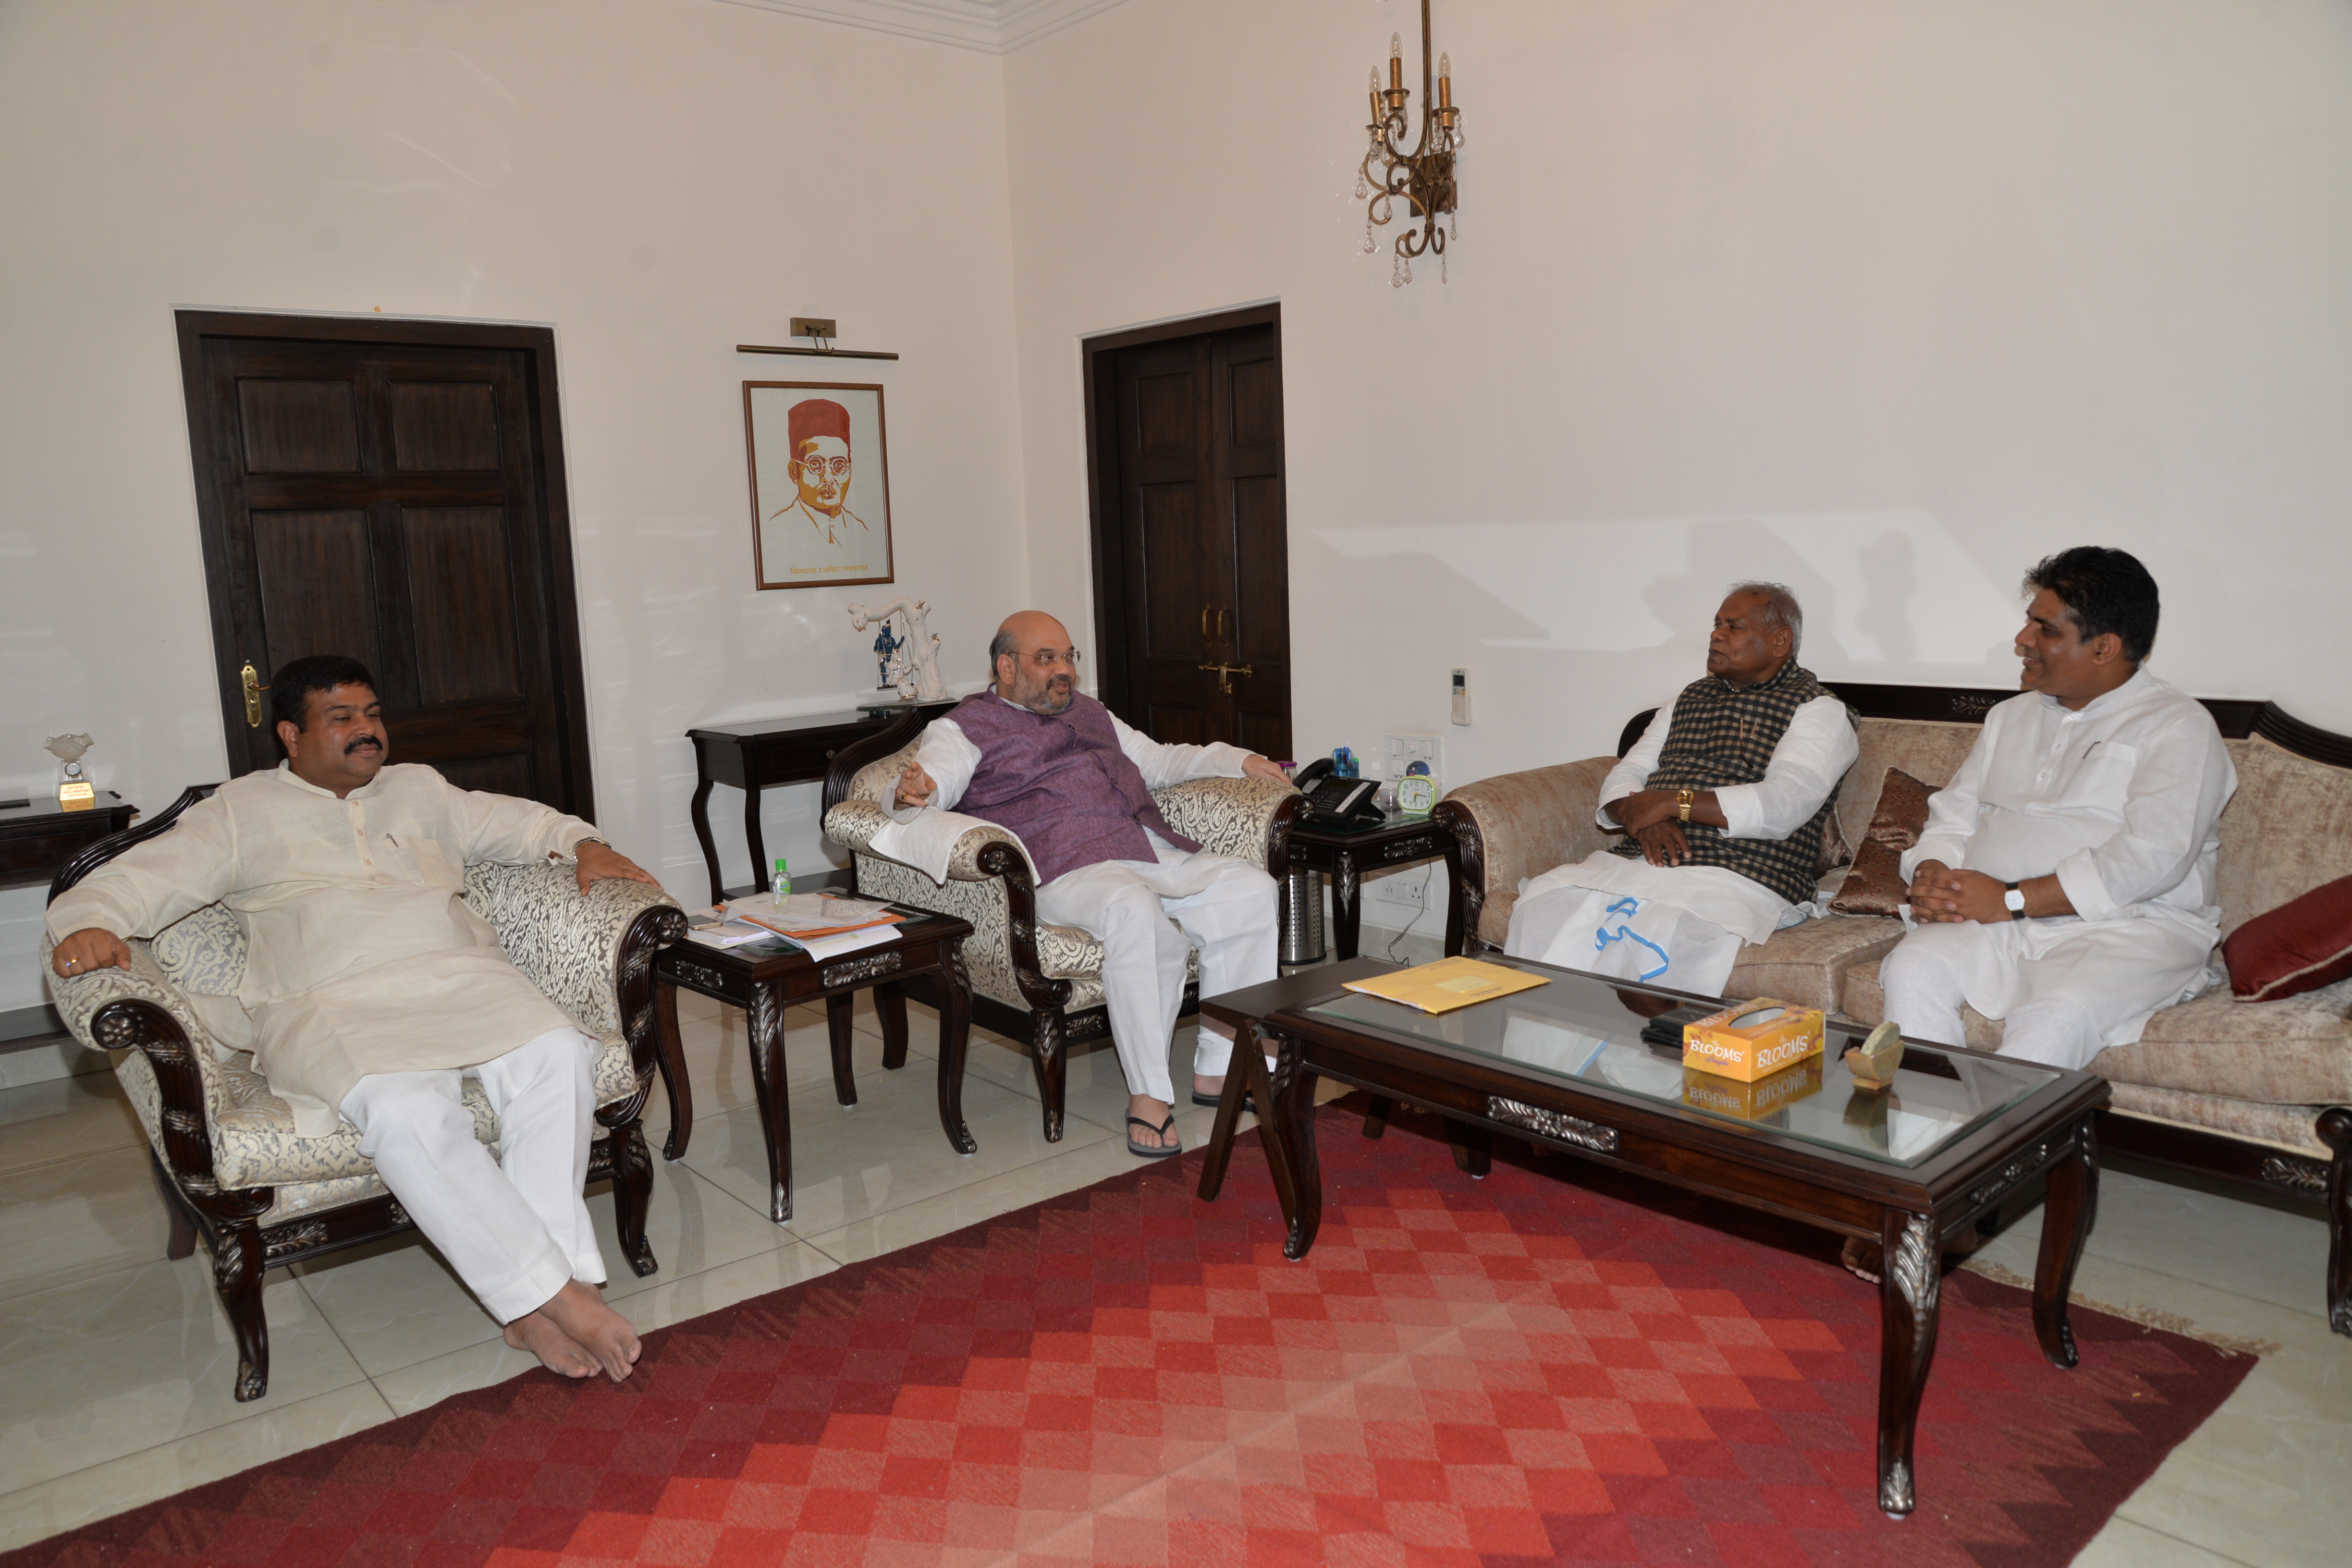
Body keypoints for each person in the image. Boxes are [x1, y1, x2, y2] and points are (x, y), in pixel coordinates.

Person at [47, 656, 665, 1383]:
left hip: (463, 977)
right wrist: (88, 924)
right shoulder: (239, 814)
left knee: (561, 1055)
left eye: (372, 715)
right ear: (290, 735)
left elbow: (521, 825)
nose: (367, 731)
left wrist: (586, 844)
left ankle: (539, 1304)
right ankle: (557, 1294)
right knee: (404, 1109)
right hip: (328, 1000)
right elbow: (126, 885)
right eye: (342, 718)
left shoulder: (421, 787)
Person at [889, 611, 1289, 1157]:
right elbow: (938, 775)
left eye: (1069, 656)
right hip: (1062, 867)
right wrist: (920, 789)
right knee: (1133, 908)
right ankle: (1148, 1093)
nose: (1064, 670)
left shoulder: (1091, 711)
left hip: (1144, 849)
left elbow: (1157, 759)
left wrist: (1237, 758)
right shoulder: (964, 726)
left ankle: (1221, 1066)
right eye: (1046, 658)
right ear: (1006, 667)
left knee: (1251, 889)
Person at [1882, 547, 2236, 1072]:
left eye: (2044, 629)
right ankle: (1926, 1138)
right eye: (2029, 621)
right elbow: (1953, 817)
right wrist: (1935, 873)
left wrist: (2011, 897)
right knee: (1911, 968)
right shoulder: (2010, 716)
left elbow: (2152, 859)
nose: (2022, 640)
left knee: (2055, 1017)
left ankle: (1996, 1151)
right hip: (1991, 919)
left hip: (2125, 930)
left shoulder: (2177, 725)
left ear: (2104, 648)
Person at [1505, 583, 1857, 994]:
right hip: (1644, 863)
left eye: (1734, 626)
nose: (1716, 635)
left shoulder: (1819, 711)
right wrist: (1645, 821)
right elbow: (1626, 774)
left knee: (1666, 945)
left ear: (1780, 641)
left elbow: (1783, 805)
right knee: (1542, 908)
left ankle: (1638, 1056)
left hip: (1740, 877)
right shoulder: (1688, 699)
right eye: (1716, 624)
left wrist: (1672, 804)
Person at [764, 397, 876, 576]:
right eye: (816, 465)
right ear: (794, 472)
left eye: (839, 465)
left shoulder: (863, 532)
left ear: (850, 469)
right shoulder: (777, 530)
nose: (829, 478)